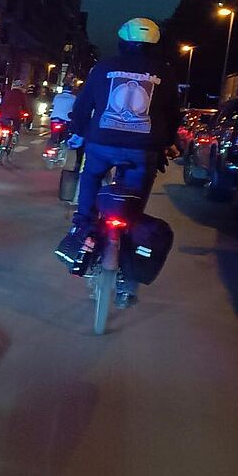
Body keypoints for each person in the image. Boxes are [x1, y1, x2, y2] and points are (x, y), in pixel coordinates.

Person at [57, 17, 179, 306]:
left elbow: (82, 107)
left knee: (91, 177)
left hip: (102, 144)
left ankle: (84, 225)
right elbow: (174, 115)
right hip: (142, 150)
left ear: (122, 42)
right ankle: (129, 280)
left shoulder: (103, 68)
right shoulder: (166, 73)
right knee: (132, 208)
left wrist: (83, 133)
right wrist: (162, 143)